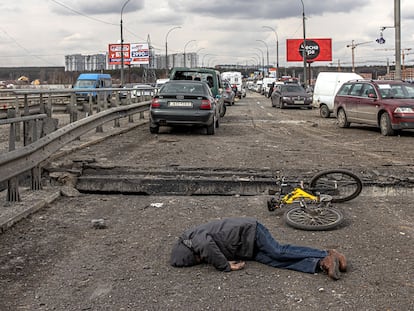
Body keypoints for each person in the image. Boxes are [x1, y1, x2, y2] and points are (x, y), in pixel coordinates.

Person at [170, 217, 347, 280]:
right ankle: (321, 263)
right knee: (274, 261)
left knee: (278, 251)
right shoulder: (192, 242)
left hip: (251, 231)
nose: (201, 260)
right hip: (246, 248)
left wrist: (225, 266)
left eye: (197, 259)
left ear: (189, 251)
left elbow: (208, 248)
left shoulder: (194, 239)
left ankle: (327, 253)